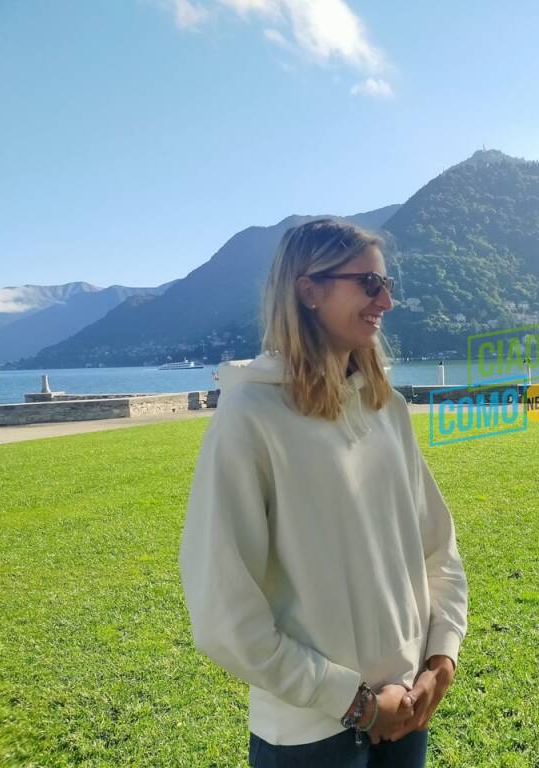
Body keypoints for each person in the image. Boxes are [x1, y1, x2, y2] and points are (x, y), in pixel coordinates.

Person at [180, 219, 468, 767]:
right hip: (309, 737)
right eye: (368, 283)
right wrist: (355, 704)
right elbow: (223, 612)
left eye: (387, 284)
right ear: (307, 289)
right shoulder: (250, 418)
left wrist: (440, 661)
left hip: (408, 711)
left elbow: (439, 549)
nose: (385, 299)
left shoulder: (390, 411)